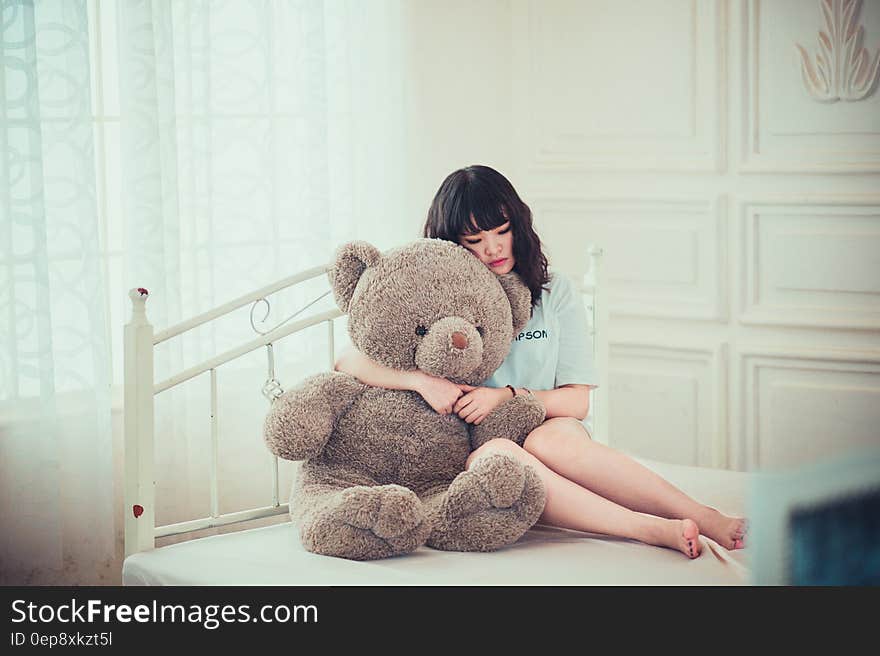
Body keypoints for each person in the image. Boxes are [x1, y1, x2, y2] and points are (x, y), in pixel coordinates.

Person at [335, 164, 746, 558]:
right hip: (473, 445)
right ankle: (647, 529)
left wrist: (507, 398)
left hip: (548, 425)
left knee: (544, 440)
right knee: (493, 456)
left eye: (502, 230)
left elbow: (577, 401)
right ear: (450, 244)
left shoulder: (553, 292)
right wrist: (422, 382)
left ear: (518, 225)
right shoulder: (435, 293)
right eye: (474, 240)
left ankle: (701, 514)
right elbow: (347, 361)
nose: (493, 248)